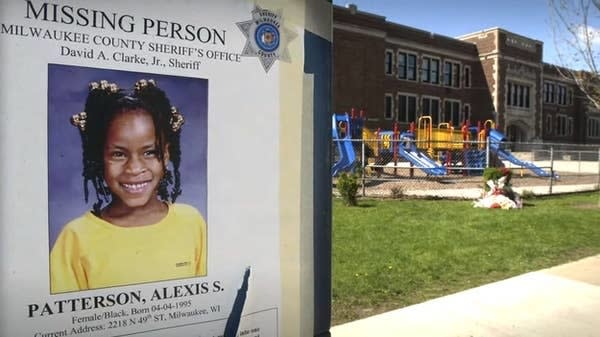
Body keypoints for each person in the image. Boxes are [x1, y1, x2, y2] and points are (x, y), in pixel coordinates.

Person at [50, 79, 207, 293]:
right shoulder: (76, 238)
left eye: (150, 152)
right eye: (118, 154)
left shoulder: (192, 223)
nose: (134, 168)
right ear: (98, 158)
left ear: (166, 154)